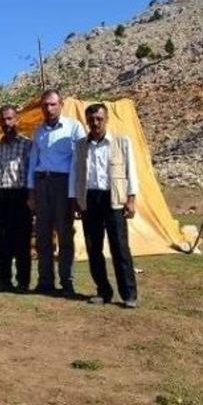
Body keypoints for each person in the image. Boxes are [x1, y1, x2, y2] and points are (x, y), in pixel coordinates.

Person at [70, 103, 139, 308]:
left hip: (114, 199)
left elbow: (131, 171)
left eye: (99, 119)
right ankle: (103, 291)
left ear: (106, 119)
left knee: (119, 246)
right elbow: (75, 173)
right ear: (87, 121)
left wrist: (131, 198)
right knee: (94, 247)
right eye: (91, 120)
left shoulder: (121, 142)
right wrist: (74, 200)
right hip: (90, 199)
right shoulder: (81, 145)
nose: (95, 123)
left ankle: (129, 294)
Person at [27, 89, 86, 296]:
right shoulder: (39, 131)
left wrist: (75, 194)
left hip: (64, 185)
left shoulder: (74, 127)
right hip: (42, 184)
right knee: (43, 235)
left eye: (52, 104)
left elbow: (80, 162)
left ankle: (67, 281)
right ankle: (45, 281)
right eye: (45, 105)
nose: (48, 108)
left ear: (61, 105)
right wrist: (31, 191)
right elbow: (34, 161)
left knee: (65, 234)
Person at [0, 105, 33, 293]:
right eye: (3, 120)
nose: (6, 123)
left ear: (17, 120)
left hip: (19, 195)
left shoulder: (27, 144)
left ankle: (23, 281)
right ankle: (4, 279)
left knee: (21, 241)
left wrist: (31, 196)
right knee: (0, 240)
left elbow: (31, 172)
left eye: (9, 119)